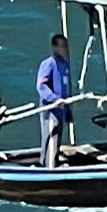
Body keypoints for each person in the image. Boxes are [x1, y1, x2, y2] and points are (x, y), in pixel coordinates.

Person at [37, 30, 72, 166]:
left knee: (57, 139)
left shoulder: (65, 66)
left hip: (61, 111)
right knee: (51, 137)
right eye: (63, 46)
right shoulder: (48, 64)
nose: (66, 49)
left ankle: (53, 164)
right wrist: (54, 99)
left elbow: (66, 88)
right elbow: (41, 86)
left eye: (66, 46)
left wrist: (68, 111)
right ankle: (49, 168)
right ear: (55, 48)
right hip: (51, 111)